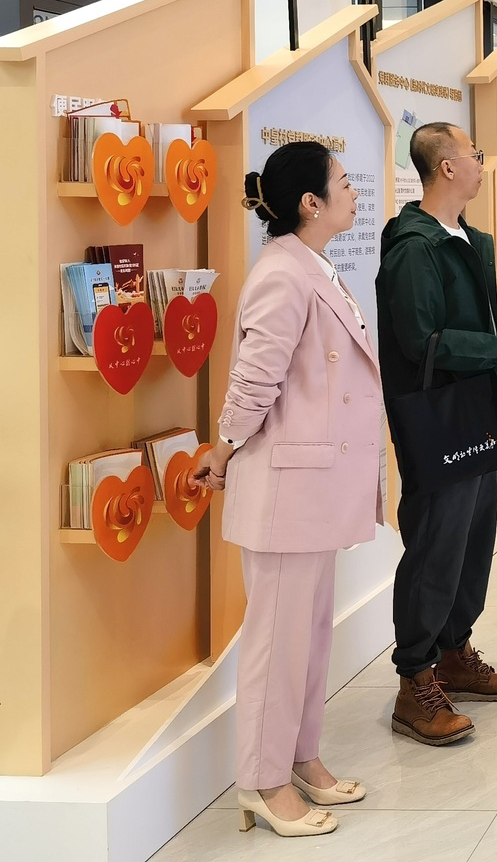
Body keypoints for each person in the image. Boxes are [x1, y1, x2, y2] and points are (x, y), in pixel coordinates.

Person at [192, 142, 384, 837]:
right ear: (310, 202)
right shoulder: (282, 274)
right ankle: (262, 780)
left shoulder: (311, 265)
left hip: (313, 488)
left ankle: (300, 756)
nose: (353, 192)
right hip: (286, 489)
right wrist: (221, 449)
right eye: (343, 182)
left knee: (309, 633)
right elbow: (255, 380)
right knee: (277, 642)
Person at [377, 123, 497, 746]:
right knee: (435, 547)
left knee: (472, 542)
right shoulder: (415, 248)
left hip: (474, 413)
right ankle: (414, 680)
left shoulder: (464, 238)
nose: (481, 163)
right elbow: (421, 341)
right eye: (475, 154)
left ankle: (453, 654)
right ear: (446, 167)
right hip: (436, 419)